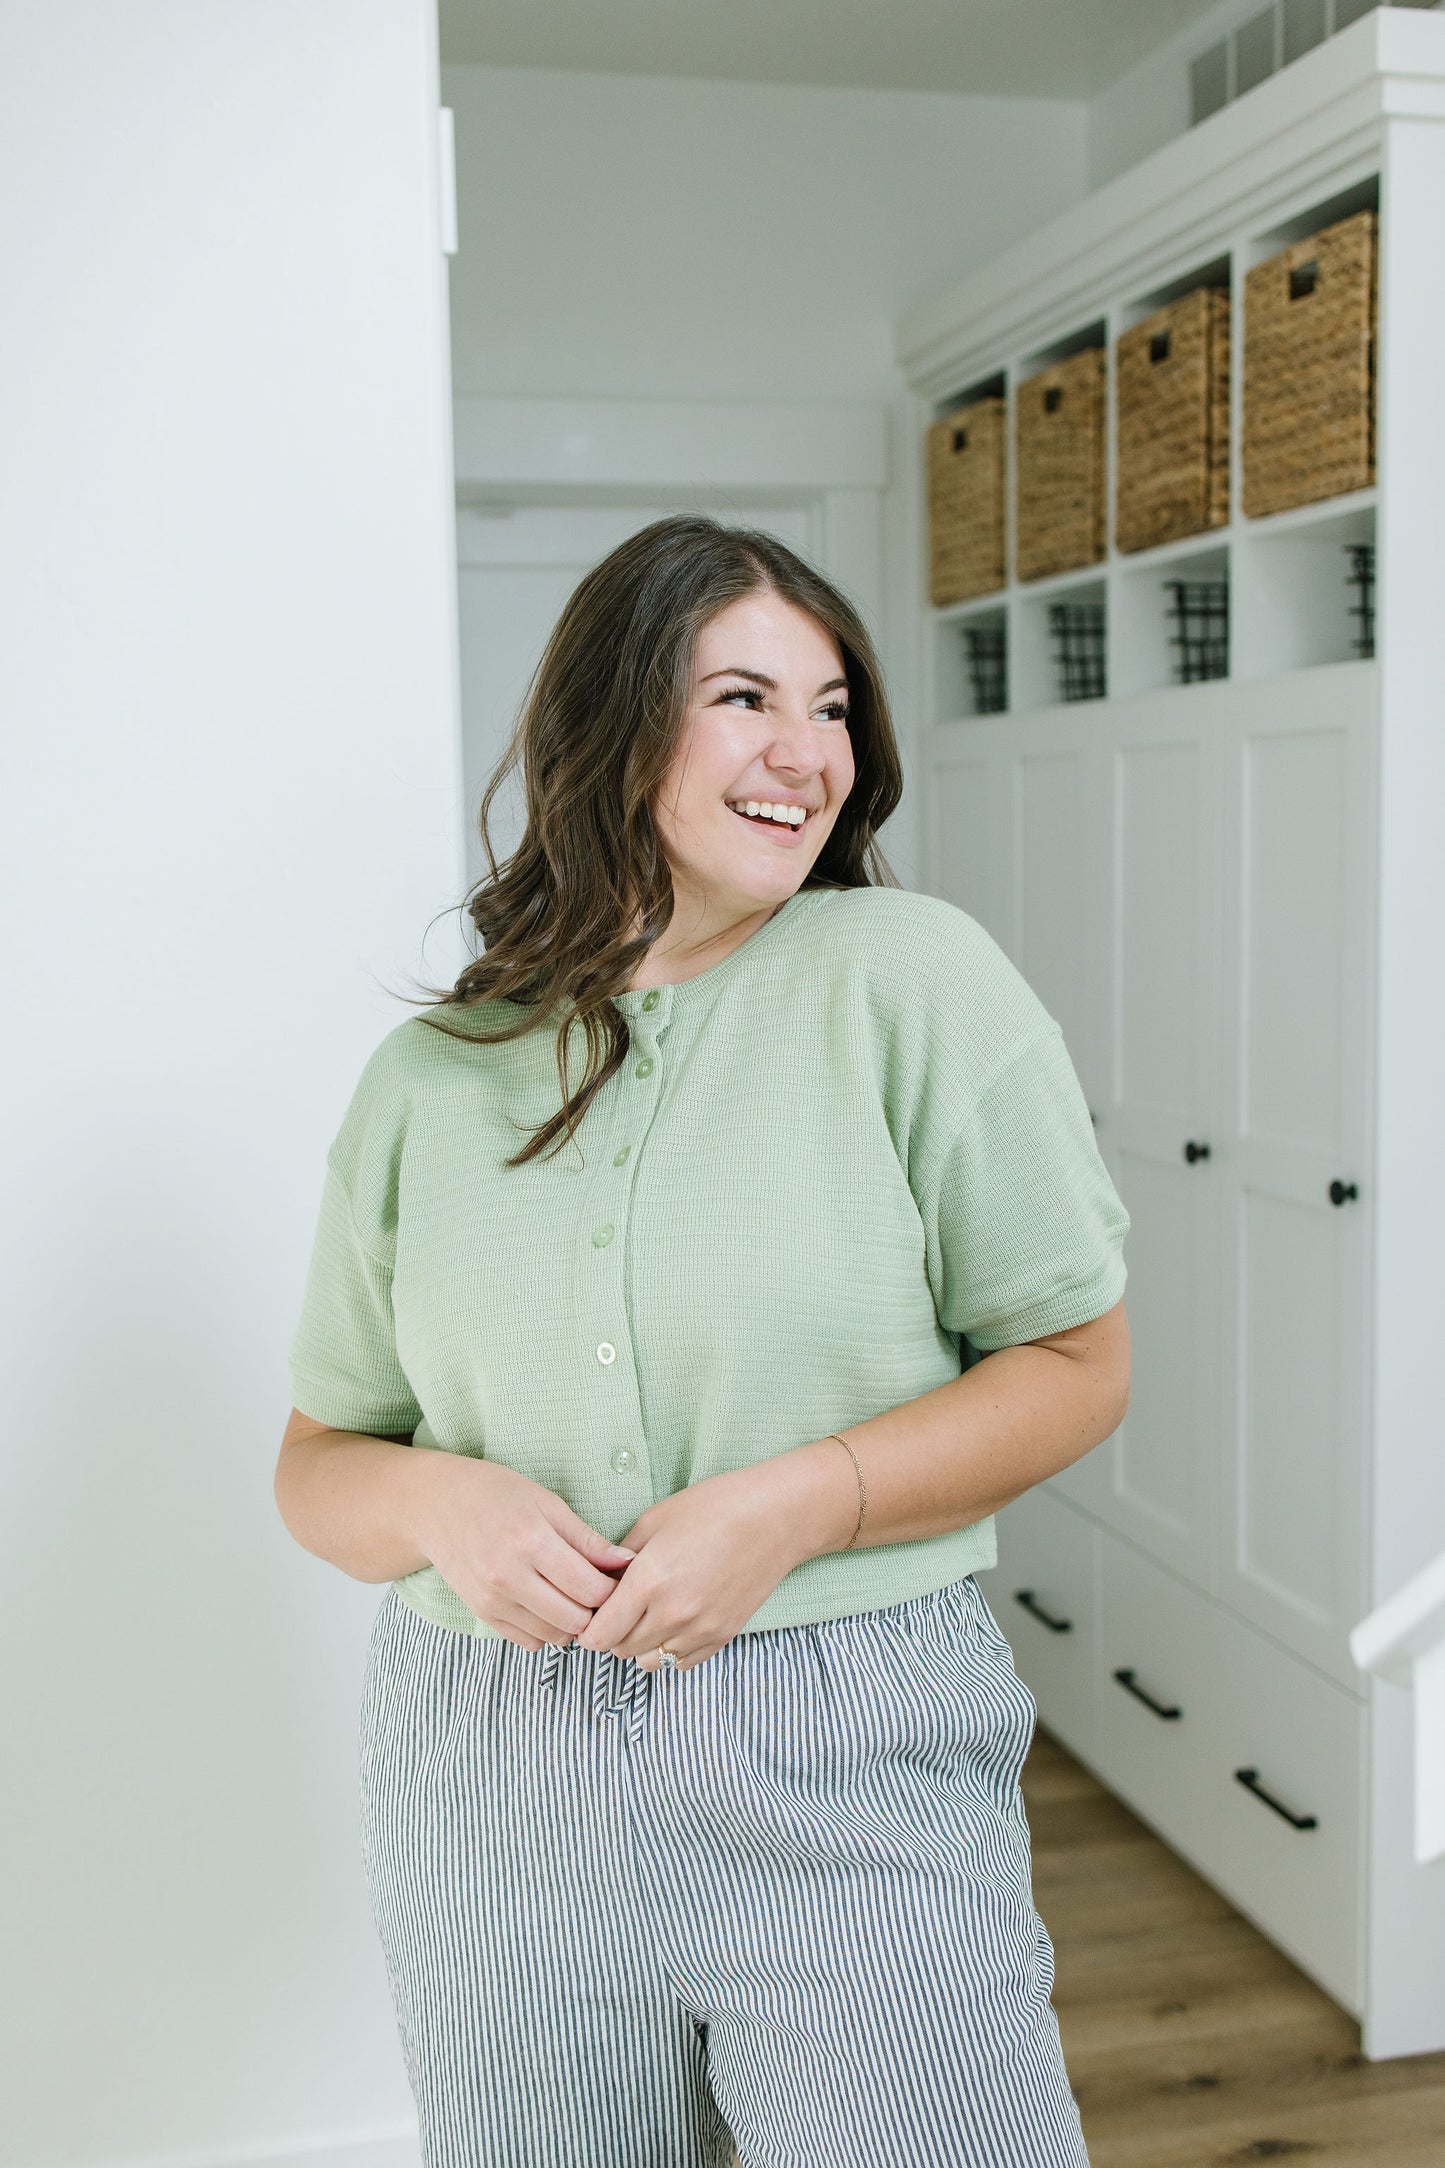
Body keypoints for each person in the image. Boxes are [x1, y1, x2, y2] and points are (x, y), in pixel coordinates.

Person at [274, 514, 1131, 2168]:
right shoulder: (433, 1077)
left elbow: (1076, 1361)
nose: (803, 754)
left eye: (830, 711)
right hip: (487, 1771)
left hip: (847, 1740)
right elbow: (321, 1458)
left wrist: (801, 1498)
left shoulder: (910, 980)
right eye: (744, 696)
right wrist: (440, 1506)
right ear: (615, 723)